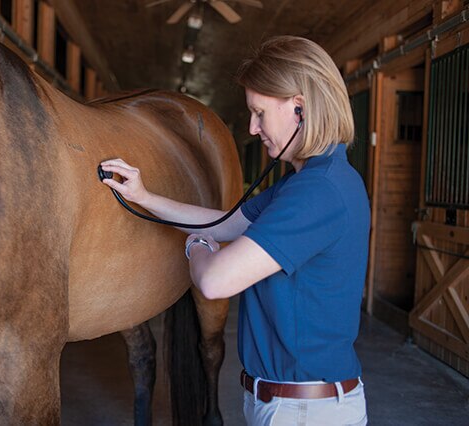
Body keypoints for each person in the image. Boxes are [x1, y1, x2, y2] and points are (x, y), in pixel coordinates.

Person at [100, 35, 369, 426]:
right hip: (289, 402)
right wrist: (144, 195)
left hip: (304, 411)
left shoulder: (318, 192)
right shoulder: (306, 181)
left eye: (259, 112)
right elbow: (224, 223)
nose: (252, 127)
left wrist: (196, 247)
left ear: (300, 109)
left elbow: (214, 280)